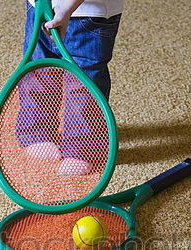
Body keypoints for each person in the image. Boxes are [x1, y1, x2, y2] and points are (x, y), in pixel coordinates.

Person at [16, 0, 123, 175]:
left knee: (84, 85)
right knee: (38, 70)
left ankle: (82, 148)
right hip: (40, 7)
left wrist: (66, 8)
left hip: (89, 14)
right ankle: (38, 131)